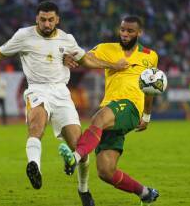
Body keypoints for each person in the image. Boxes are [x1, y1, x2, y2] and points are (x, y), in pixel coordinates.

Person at [0, 1, 126, 206]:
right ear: (36, 18)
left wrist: (113, 65)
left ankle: (84, 190)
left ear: (57, 20)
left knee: (79, 147)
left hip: (61, 92)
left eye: (50, 19)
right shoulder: (23, 36)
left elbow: (86, 60)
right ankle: (34, 166)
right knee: (36, 125)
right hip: (37, 89)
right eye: (42, 19)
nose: (46, 23)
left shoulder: (67, 39)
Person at [59, 16, 160, 205]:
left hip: (131, 107)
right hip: (111, 108)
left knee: (99, 118)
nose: (125, 34)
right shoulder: (106, 49)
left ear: (139, 33)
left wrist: (146, 116)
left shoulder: (150, 55)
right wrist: (69, 58)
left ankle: (75, 157)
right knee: (106, 171)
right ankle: (146, 193)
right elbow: (85, 59)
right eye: (122, 30)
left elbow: (150, 87)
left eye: (130, 31)